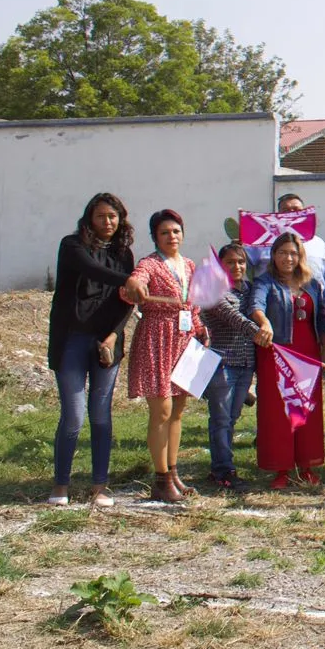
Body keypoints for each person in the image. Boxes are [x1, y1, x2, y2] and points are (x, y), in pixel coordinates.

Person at [47, 192, 136, 507]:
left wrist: (113, 336)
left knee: (100, 414)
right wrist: (130, 279)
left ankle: (100, 486)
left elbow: (127, 302)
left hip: (106, 343)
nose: (108, 222)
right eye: (101, 217)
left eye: (113, 217)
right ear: (89, 219)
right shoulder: (72, 246)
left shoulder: (124, 253)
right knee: (73, 415)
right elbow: (94, 271)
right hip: (71, 339)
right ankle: (61, 485)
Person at [124, 209, 209, 503]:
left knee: (178, 411)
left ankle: (173, 472)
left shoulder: (188, 264)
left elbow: (193, 303)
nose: (171, 237)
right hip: (157, 338)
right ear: (155, 237)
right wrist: (135, 286)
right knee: (161, 410)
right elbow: (136, 283)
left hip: (183, 340)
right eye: (164, 233)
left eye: (175, 231)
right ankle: (160, 479)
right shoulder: (148, 264)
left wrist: (199, 328)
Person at [250, 232, 325, 488]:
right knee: (279, 412)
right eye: (283, 252)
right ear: (274, 255)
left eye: (293, 253)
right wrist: (264, 322)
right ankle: (281, 470)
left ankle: (306, 467)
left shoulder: (312, 284)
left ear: (300, 256)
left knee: (305, 409)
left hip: (308, 353)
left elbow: (321, 320)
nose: (288, 258)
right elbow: (256, 305)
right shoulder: (265, 281)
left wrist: (324, 350)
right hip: (277, 354)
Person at [201, 242, 260, 492]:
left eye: (241, 262)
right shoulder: (214, 292)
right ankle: (222, 471)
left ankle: (223, 466)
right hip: (222, 364)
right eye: (230, 262)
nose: (237, 266)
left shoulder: (250, 290)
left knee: (231, 418)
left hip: (246, 364)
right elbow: (235, 319)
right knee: (221, 419)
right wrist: (263, 334)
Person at [244, 192, 325, 288]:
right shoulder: (262, 242)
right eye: (286, 210)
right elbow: (240, 266)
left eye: (297, 210)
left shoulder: (318, 244)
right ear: (278, 214)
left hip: (315, 300)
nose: (292, 213)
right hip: (272, 299)